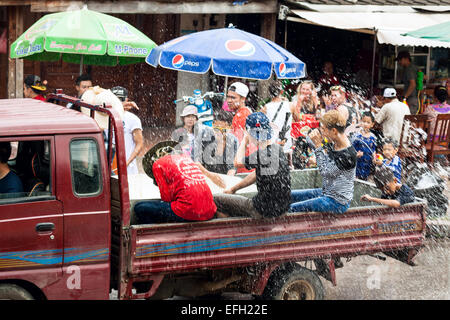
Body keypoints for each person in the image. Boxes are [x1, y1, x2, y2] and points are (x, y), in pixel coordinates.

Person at [213, 112, 291, 219]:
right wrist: (233, 189)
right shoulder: (277, 149)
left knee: (215, 199)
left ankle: (228, 232)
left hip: (262, 210)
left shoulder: (261, 154)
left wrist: (245, 139)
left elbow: (237, 162)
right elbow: (255, 174)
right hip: (280, 209)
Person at [289, 110, 357, 214]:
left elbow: (325, 172)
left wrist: (318, 147)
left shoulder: (348, 155)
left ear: (334, 131)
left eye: (324, 130)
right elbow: (324, 157)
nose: (323, 133)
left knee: (291, 208)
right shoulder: (334, 142)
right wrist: (308, 137)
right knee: (288, 195)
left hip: (337, 202)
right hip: (326, 193)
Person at [133, 147, 218, 224]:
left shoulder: (158, 164)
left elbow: (166, 199)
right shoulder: (187, 159)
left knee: (140, 207)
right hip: (210, 211)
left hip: (188, 211)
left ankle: (153, 235)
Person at [111, 86, 144, 175]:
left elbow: (139, 143)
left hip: (128, 168)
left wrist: (127, 162)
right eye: (115, 99)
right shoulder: (104, 116)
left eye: (121, 100)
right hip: (108, 164)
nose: (118, 102)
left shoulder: (133, 119)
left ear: (126, 100)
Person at [262, 81, 293, 168]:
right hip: (287, 144)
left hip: (272, 145)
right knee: (288, 169)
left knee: (273, 169)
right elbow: (298, 118)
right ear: (282, 92)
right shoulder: (290, 105)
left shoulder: (265, 108)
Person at [352, 111, 377, 180]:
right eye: (364, 121)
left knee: (365, 178)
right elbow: (351, 149)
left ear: (372, 124)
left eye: (368, 122)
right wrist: (356, 154)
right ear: (361, 122)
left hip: (367, 163)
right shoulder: (357, 136)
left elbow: (373, 149)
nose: (365, 124)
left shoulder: (373, 137)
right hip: (358, 162)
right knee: (356, 178)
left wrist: (374, 157)